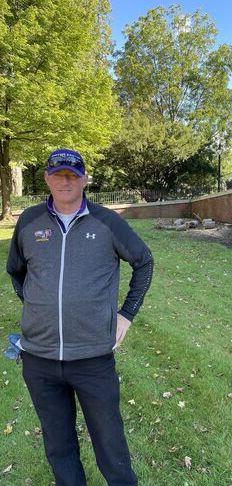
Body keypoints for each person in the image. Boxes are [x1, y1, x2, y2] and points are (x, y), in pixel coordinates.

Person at [7, 148, 154, 486]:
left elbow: (144, 262)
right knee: (59, 446)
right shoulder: (29, 221)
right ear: (46, 178)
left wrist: (126, 315)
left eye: (73, 175)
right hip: (39, 359)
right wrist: (33, 302)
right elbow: (16, 270)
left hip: (92, 358)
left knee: (111, 447)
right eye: (58, 174)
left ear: (86, 179)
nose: (65, 181)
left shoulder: (106, 222)